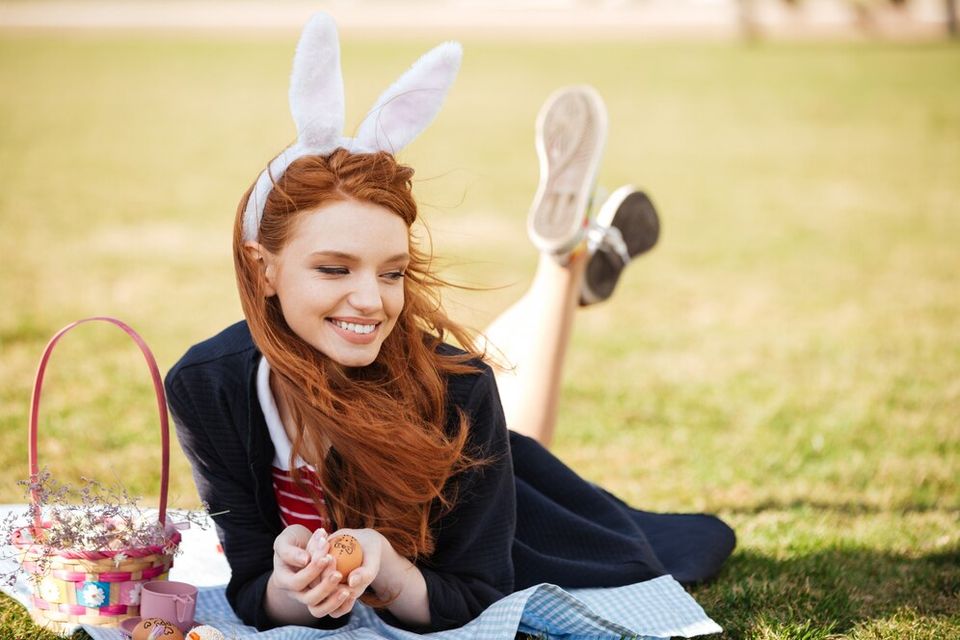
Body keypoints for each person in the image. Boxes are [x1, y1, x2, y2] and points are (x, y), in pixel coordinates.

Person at [164, 13, 734, 634]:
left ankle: (565, 263)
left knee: (485, 401)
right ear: (263, 267)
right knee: (496, 404)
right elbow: (253, 588)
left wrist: (388, 567)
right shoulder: (206, 387)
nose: (371, 301)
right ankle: (569, 261)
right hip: (465, 426)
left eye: (391, 272)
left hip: (511, 515)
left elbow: (477, 592)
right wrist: (287, 584)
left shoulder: (461, 390)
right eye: (333, 269)